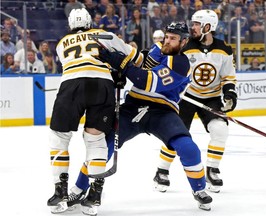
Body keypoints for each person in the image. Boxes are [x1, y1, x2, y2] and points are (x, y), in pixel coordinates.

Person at [66, 21, 213, 213]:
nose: (167, 41)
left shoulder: (181, 63)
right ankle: (79, 189)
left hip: (162, 112)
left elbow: (147, 81)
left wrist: (122, 64)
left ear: (184, 42)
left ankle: (199, 189)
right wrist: (116, 69)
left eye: (173, 39)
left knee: (188, 148)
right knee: (103, 147)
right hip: (133, 108)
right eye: (167, 37)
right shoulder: (156, 50)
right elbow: (136, 62)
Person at [47, 7, 143, 215]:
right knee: (96, 140)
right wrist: (118, 68)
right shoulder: (104, 34)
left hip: (72, 85)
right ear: (90, 22)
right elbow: (135, 58)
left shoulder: (62, 43)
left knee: (59, 137)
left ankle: (60, 192)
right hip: (103, 85)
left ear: (71, 25)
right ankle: (95, 197)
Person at [153, 10, 237, 194]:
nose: (193, 27)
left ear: (208, 27)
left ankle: (212, 169)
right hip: (185, 96)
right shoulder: (185, 45)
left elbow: (228, 77)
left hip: (211, 97)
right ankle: (161, 170)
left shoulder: (224, 49)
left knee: (220, 129)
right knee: (175, 134)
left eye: (197, 24)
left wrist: (230, 95)